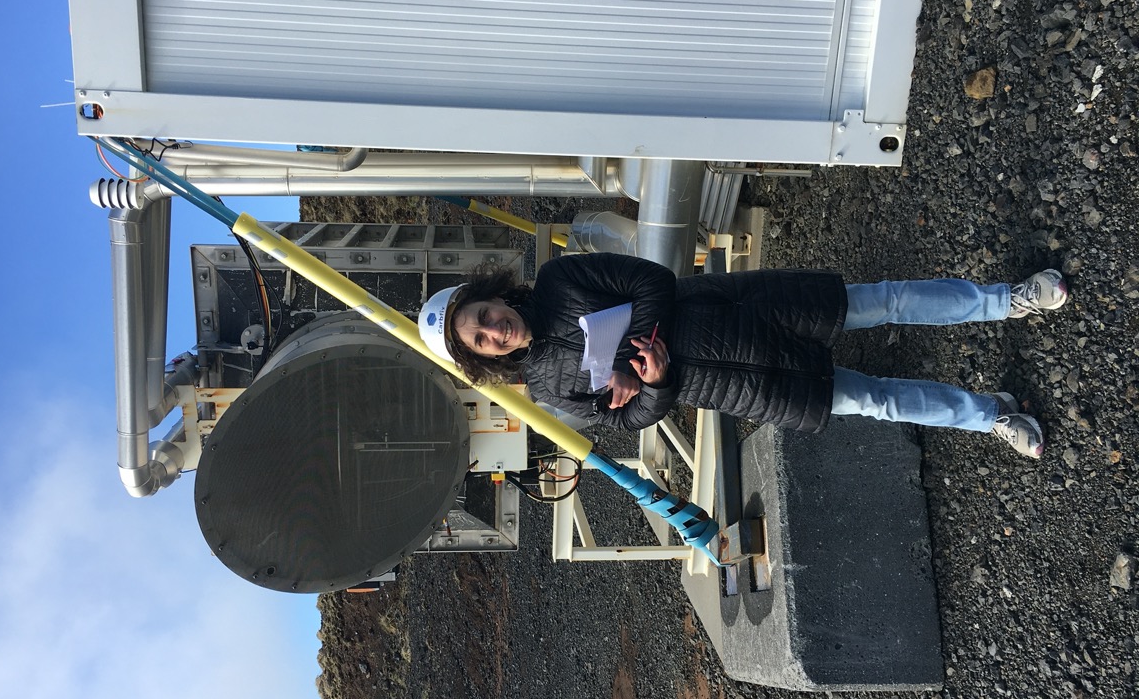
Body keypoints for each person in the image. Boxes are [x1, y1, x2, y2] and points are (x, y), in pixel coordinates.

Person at [417, 254, 1068, 458]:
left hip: (749, 309)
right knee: (875, 399)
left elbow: (652, 281)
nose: (493, 330)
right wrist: (658, 381)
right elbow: (628, 421)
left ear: (490, 296)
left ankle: (1007, 300)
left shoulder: (560, 280)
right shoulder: (547, 389)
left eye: (482, 316)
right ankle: (991, 417)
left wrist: (627, 344)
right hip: (743, 389)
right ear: (483, 358)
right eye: (480, 340)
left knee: (884, 300)